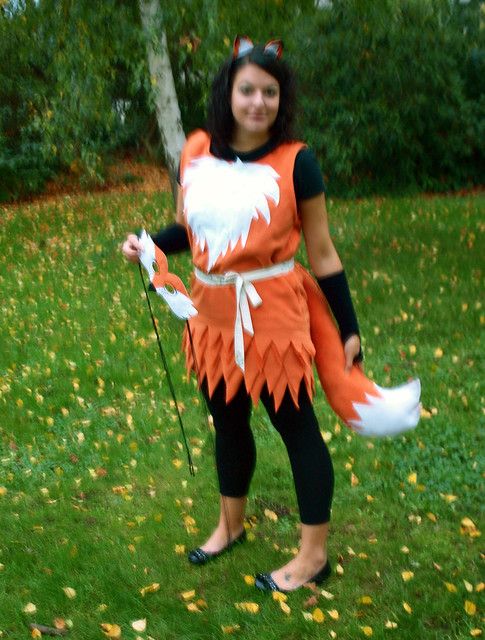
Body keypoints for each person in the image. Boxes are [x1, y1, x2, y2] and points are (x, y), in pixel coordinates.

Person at [121, 35, 362, 593]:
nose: (258, 102)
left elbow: (322, 252)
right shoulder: (196, 151)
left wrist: (348, 326)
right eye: (247, 89)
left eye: (270, 92)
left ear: (282, 100)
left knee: (295, 426)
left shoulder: (296, 162)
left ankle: (312, 556)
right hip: (209, 311)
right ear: (228, 92)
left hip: (273, 312)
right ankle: (229, 526)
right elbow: (192, 228)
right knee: (227, 422)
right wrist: (148, 242)